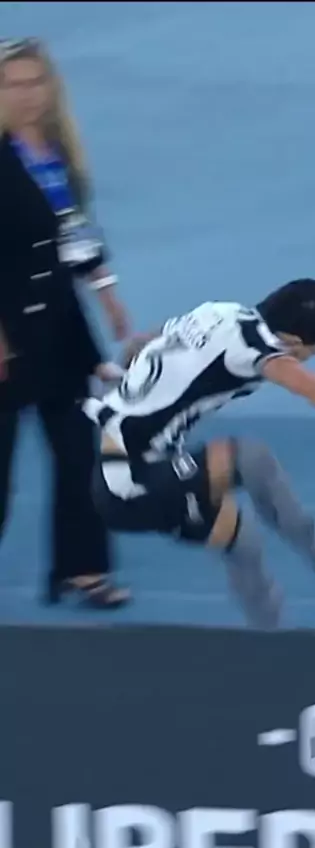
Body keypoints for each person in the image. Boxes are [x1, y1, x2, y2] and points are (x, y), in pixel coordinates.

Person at [84, 279, 315, 628]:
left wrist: (118, 380)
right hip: (131, 483)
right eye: (309, 355)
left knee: (241, 541)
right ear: (294, 343)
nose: (303, 364)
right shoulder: (253, 351)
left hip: (126, 463)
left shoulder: (217, 312)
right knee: (252, 459)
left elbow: (142, 344)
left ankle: (272, 643)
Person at [0, 37, 131, 607]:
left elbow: (77, 238)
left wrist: (109, 300)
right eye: (14, 84)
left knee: (81, 455)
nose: (27, 95)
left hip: (60, 329)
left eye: (36, 82)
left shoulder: (59, 157)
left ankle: (82, 572)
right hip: (7, 330)